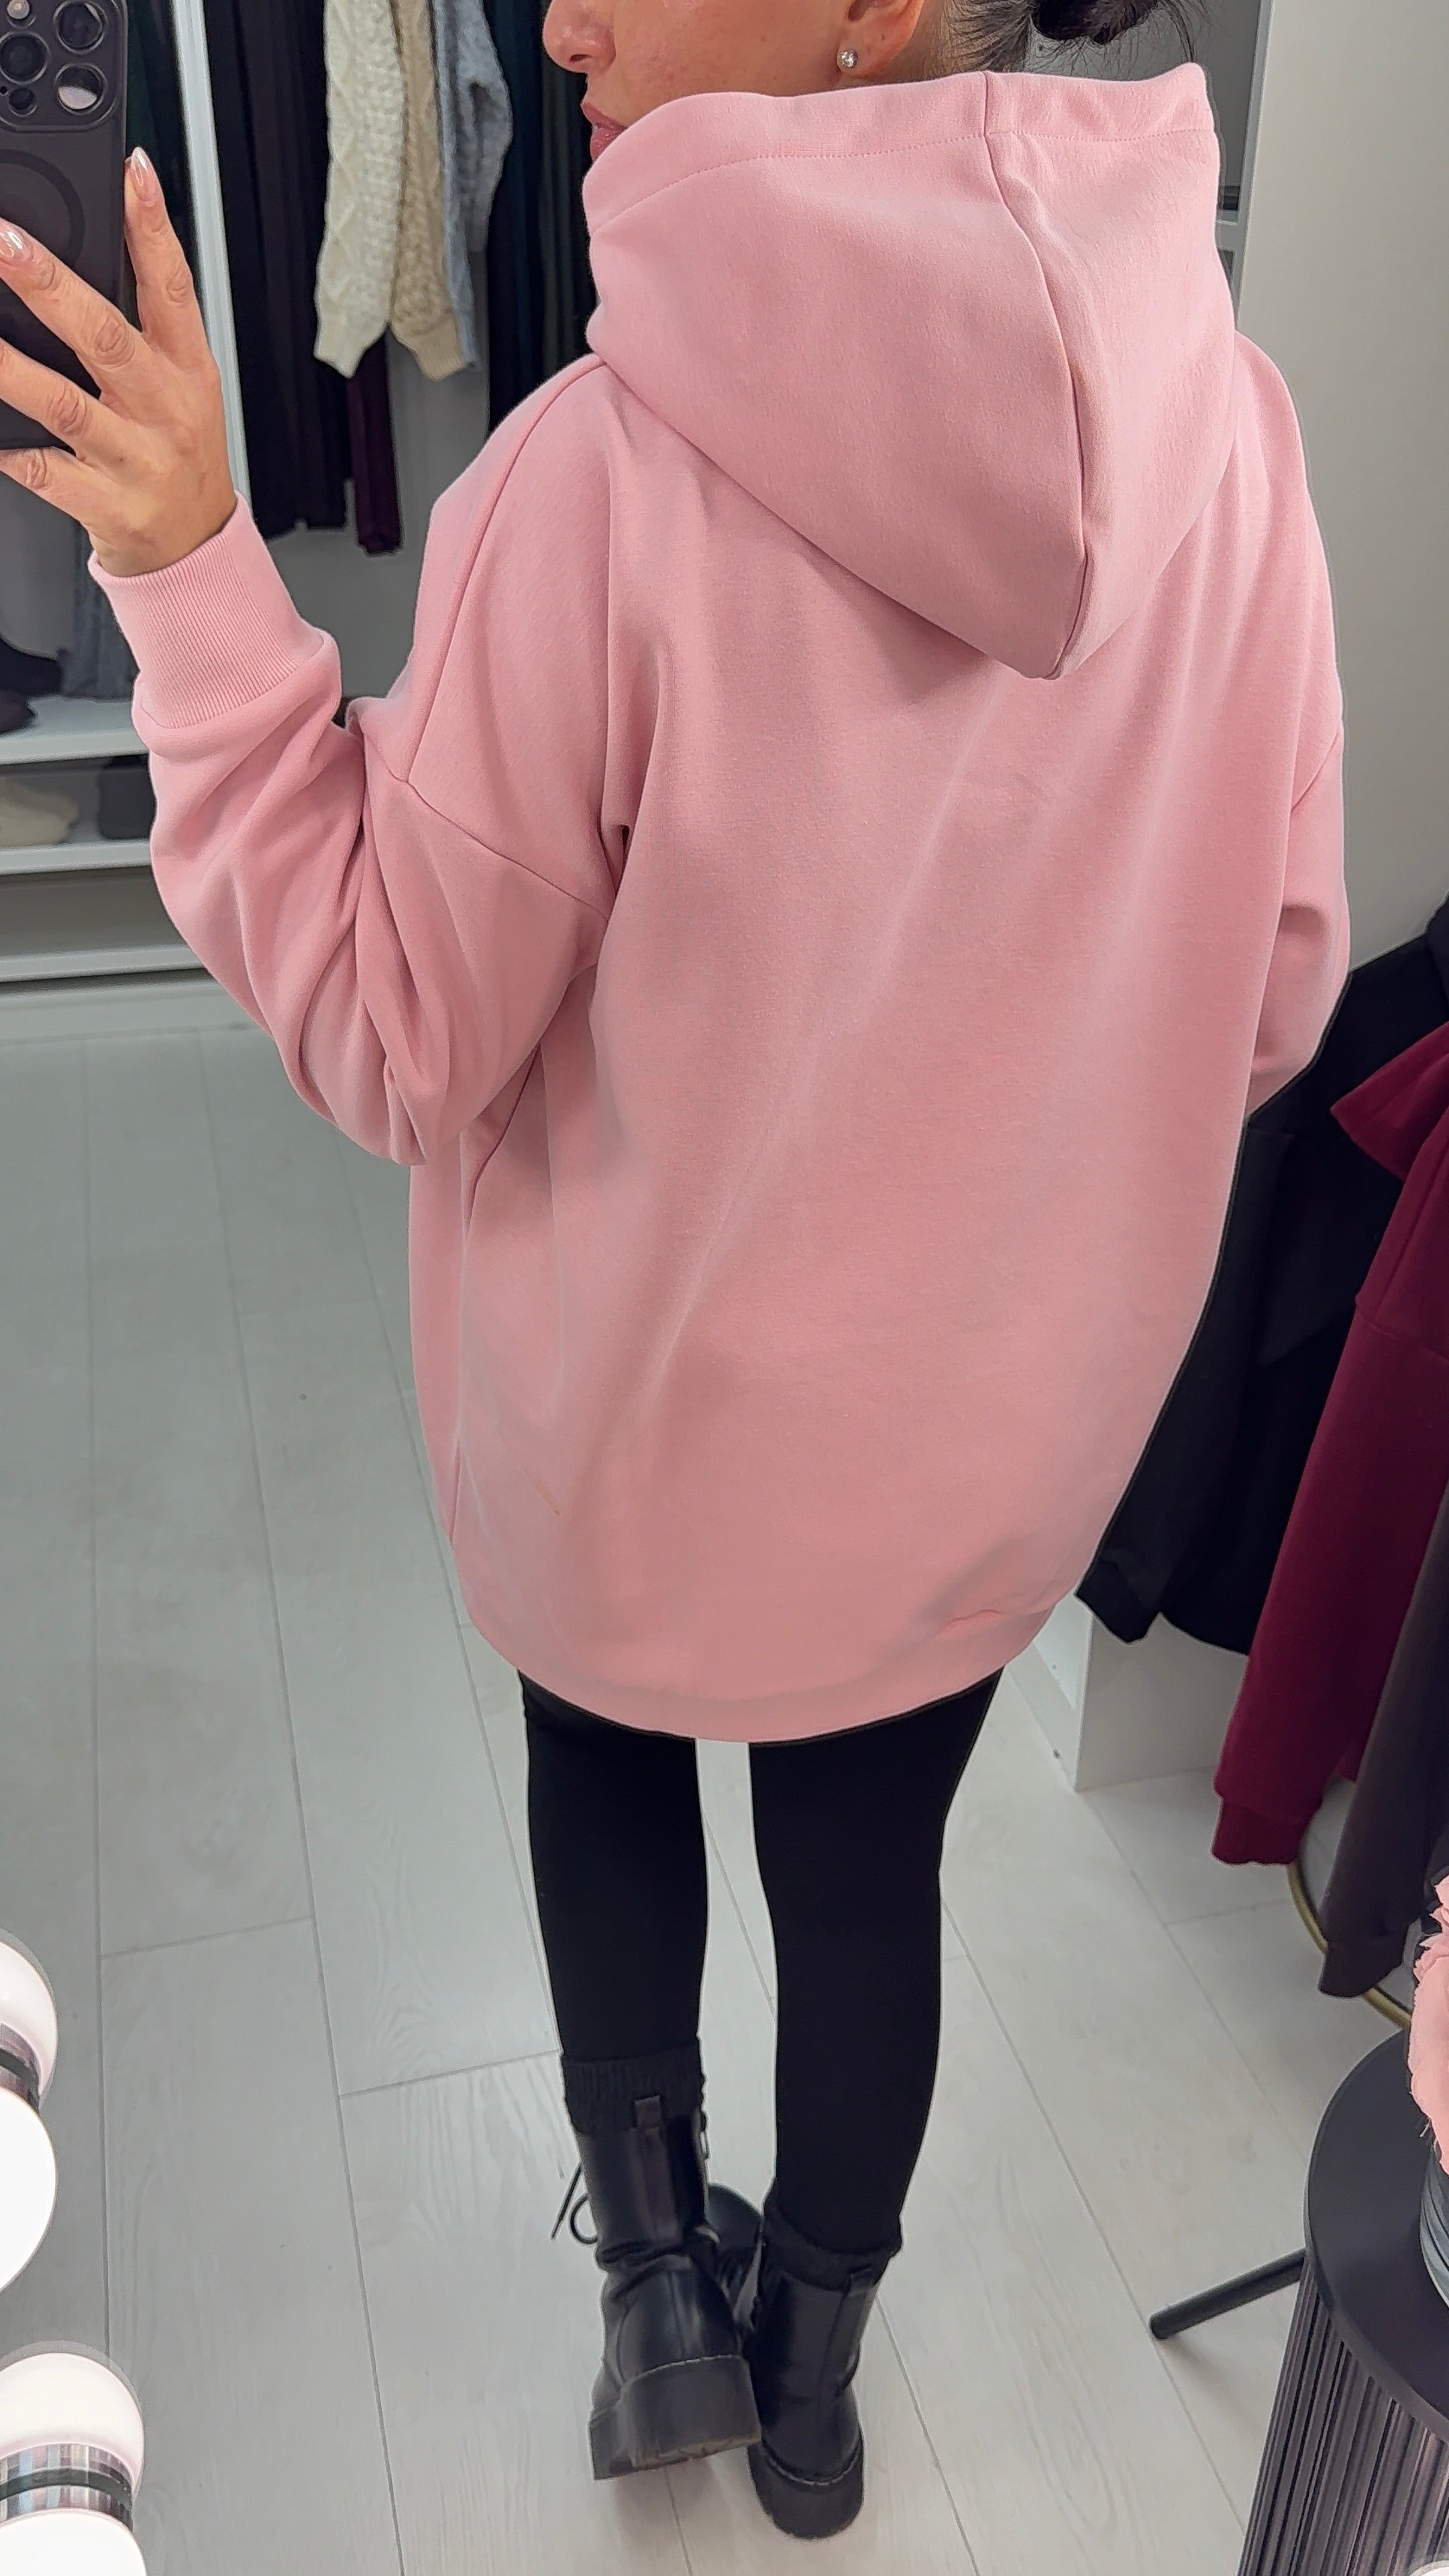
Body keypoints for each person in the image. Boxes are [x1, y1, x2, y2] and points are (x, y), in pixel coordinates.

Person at [0, 0, 1348, 2540]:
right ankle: (815, 2384)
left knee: (605, 1770)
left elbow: (399, 1024)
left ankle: (655, 2313)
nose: (563, 19)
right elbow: (1271, 986)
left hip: (626, 1428)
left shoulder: (588, 483)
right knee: (867, 1873)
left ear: (871, 9)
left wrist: (189, 574)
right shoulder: (1239, 435)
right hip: (983, 1458)